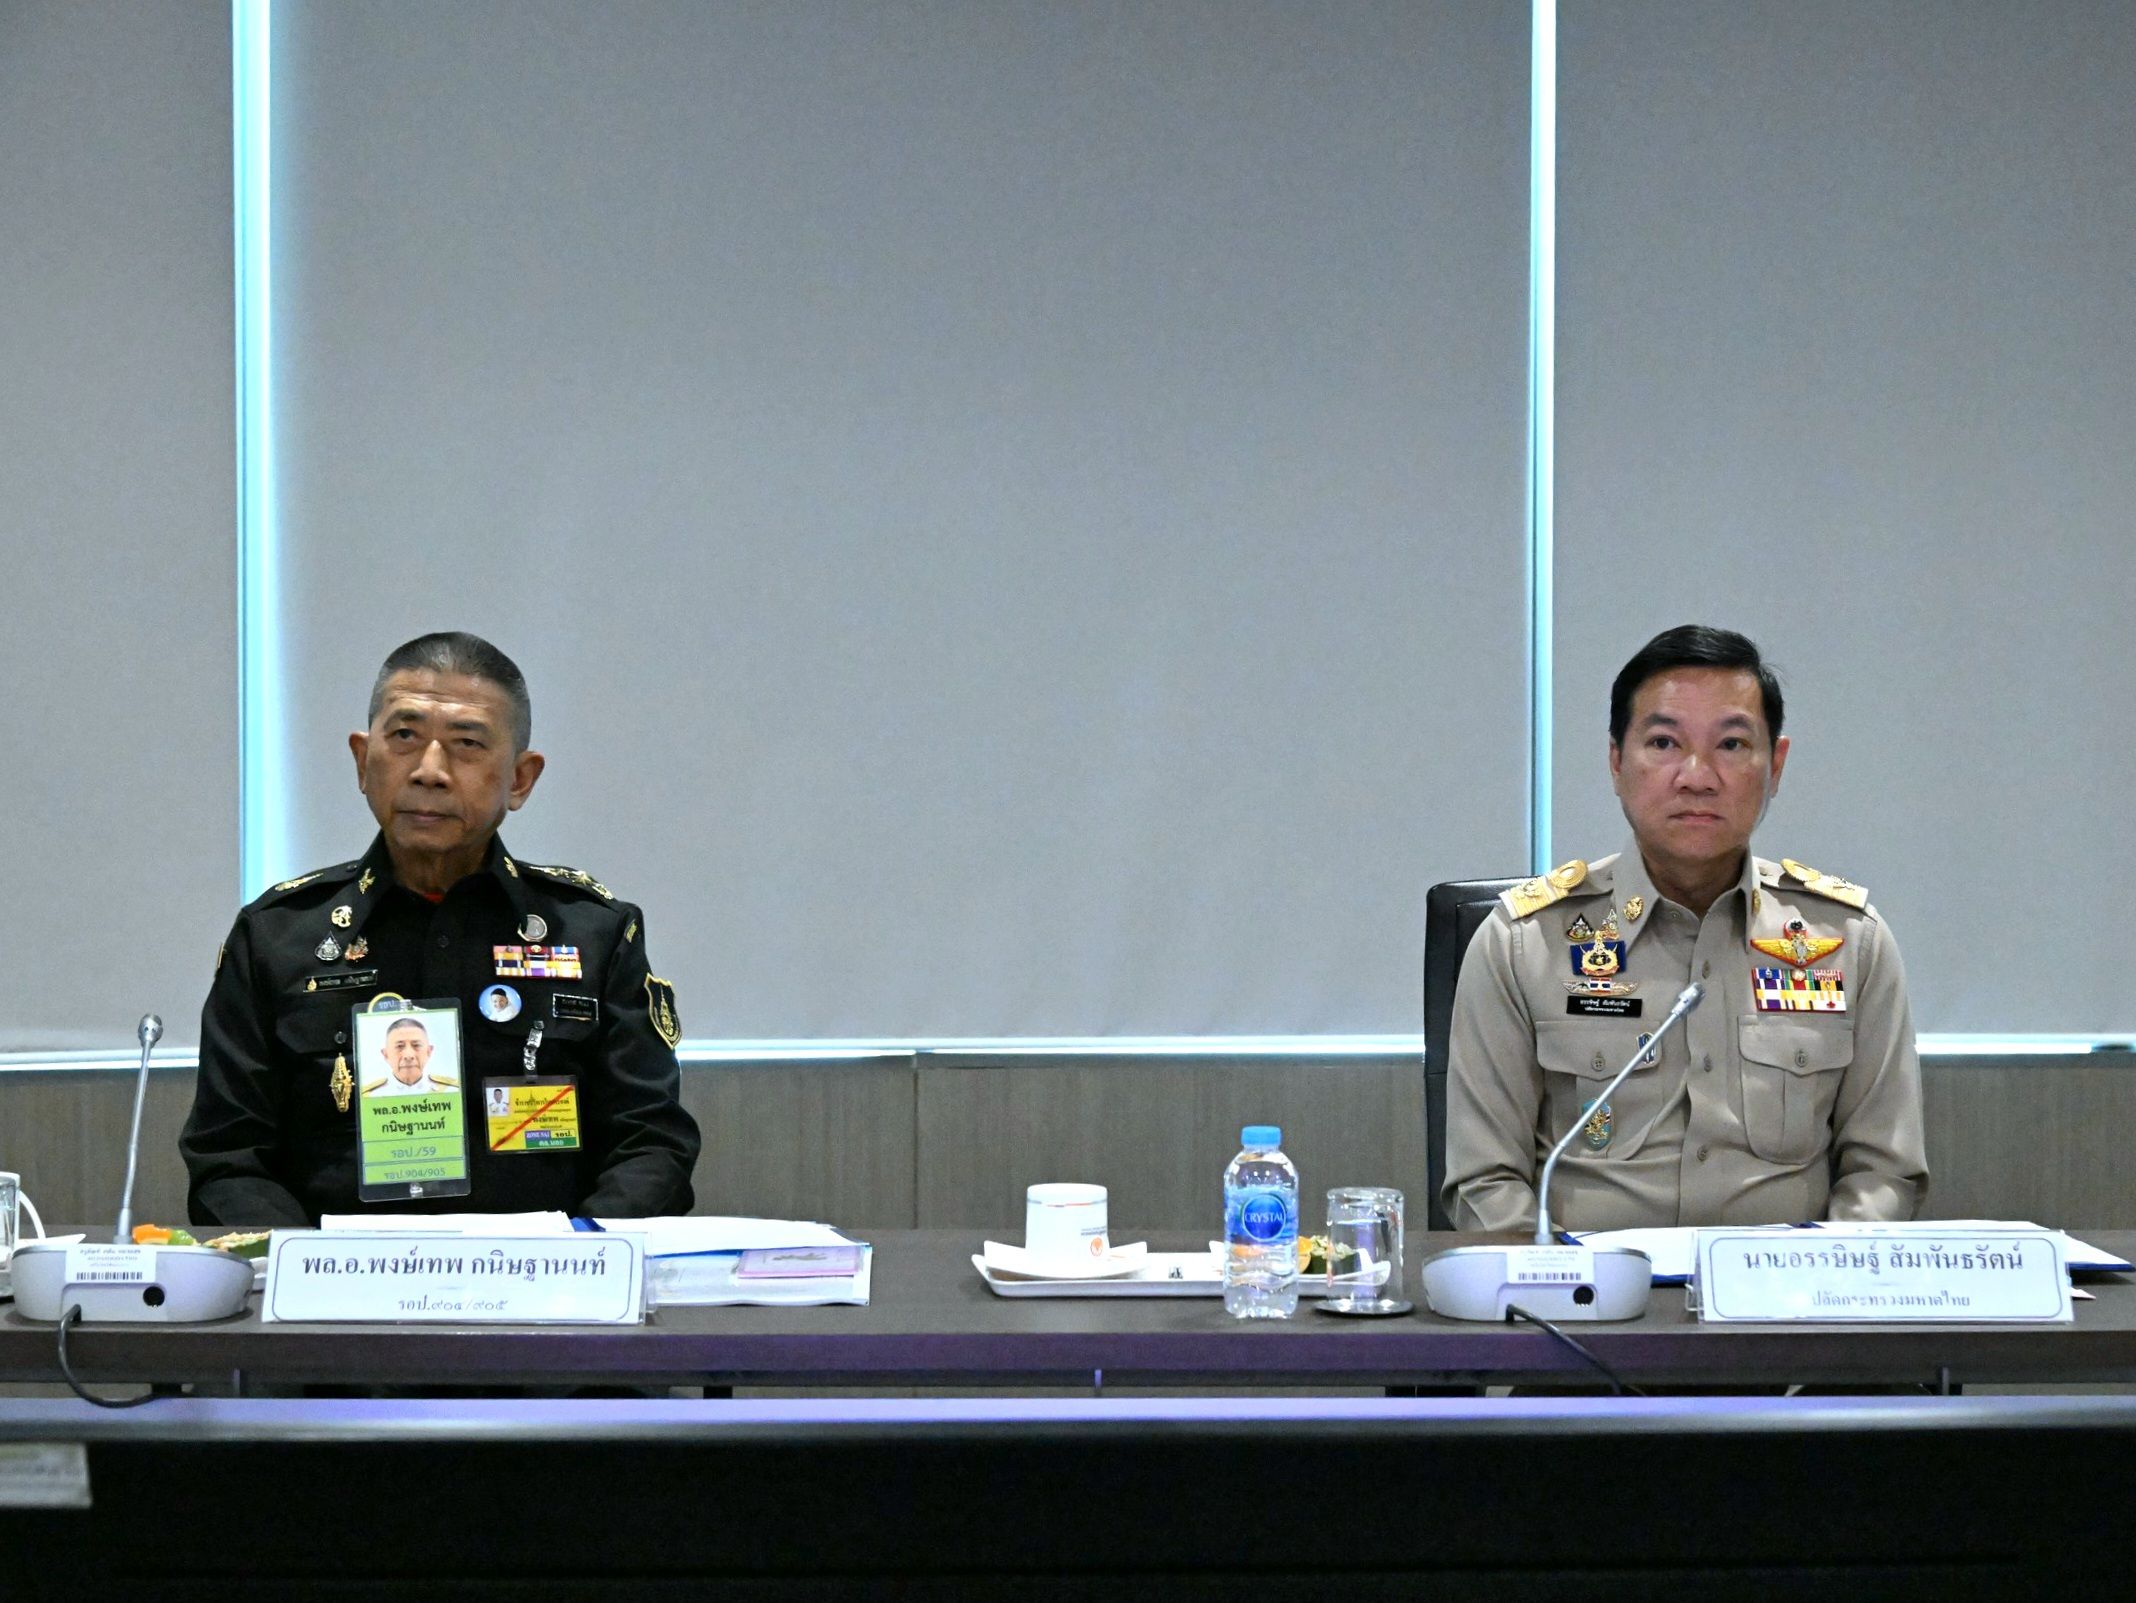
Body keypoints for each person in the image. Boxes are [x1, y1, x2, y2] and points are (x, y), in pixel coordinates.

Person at [182, 632, 702, 1225]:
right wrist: (310, 1266)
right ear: (362, 760)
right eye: (404, 736)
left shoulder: (593, 936)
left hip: (545, 1275)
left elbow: (650, 1144)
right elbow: (228, 1159)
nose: (430, 771)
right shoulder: (278, 938)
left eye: (467, 744)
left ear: (520, 779)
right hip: (337, 1278)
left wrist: (581, 1255)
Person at [1443, 624, 1926, 1233]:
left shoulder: (1849, 942)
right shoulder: (1523, 945)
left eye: (1731, 744)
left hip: (1782, 1290)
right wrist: (1569, 1282)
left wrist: (1819, 1277)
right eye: (1665, 742)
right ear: (1617, 761)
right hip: (1587, 1289)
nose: (1697, 776)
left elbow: (1883, 1175)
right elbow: (1485, 1184)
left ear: (1775, 766)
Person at [362, 1017, 455, 1098]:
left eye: (416, 1045)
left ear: (429, 1051)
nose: (408, 1055)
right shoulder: (369, 1096)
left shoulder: (451, 1092)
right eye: (399, 1046)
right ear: (385, 1054)